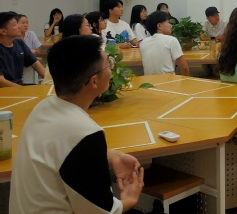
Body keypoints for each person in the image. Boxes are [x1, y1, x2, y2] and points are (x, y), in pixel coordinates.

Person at [9, 35, 144, 213]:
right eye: (108, 65)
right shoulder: (86, 133)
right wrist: (130, 200)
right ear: (94, 81)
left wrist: (111, 156)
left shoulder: (42, 108)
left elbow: (64, 149)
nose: (111, 71)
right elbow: (101, 211)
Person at [0, 12, 46, 87]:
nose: (19, 27)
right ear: (3, 31)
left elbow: (36, 64)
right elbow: (1, 82)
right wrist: (23, 90)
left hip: (19, 86)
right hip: (5, 90)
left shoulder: (19, 42)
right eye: (14, 24)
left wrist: (53, 80)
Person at [140, 10, 190, 76]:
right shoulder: (171, 40)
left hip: (148, 81)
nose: (171, 25)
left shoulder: (143, 43)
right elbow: (184, 68)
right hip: (168, 81)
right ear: (159, 26)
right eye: (168, 22)